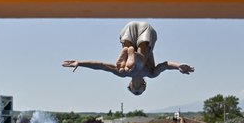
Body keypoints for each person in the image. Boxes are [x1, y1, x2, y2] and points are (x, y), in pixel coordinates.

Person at [62, 21, 194, 95]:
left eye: (134, 87)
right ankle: (131, 53)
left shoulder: (129, 74)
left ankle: (130, 52)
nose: (136, 85)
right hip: (142, 32)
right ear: (143, 84)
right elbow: (166, 65)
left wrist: (80, 63)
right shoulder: (149, 73)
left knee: (127, 67)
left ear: (131, 84)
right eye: (138, 88)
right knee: (136, 64)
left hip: (132, 30)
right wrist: (178, 66)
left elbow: (100, 66)